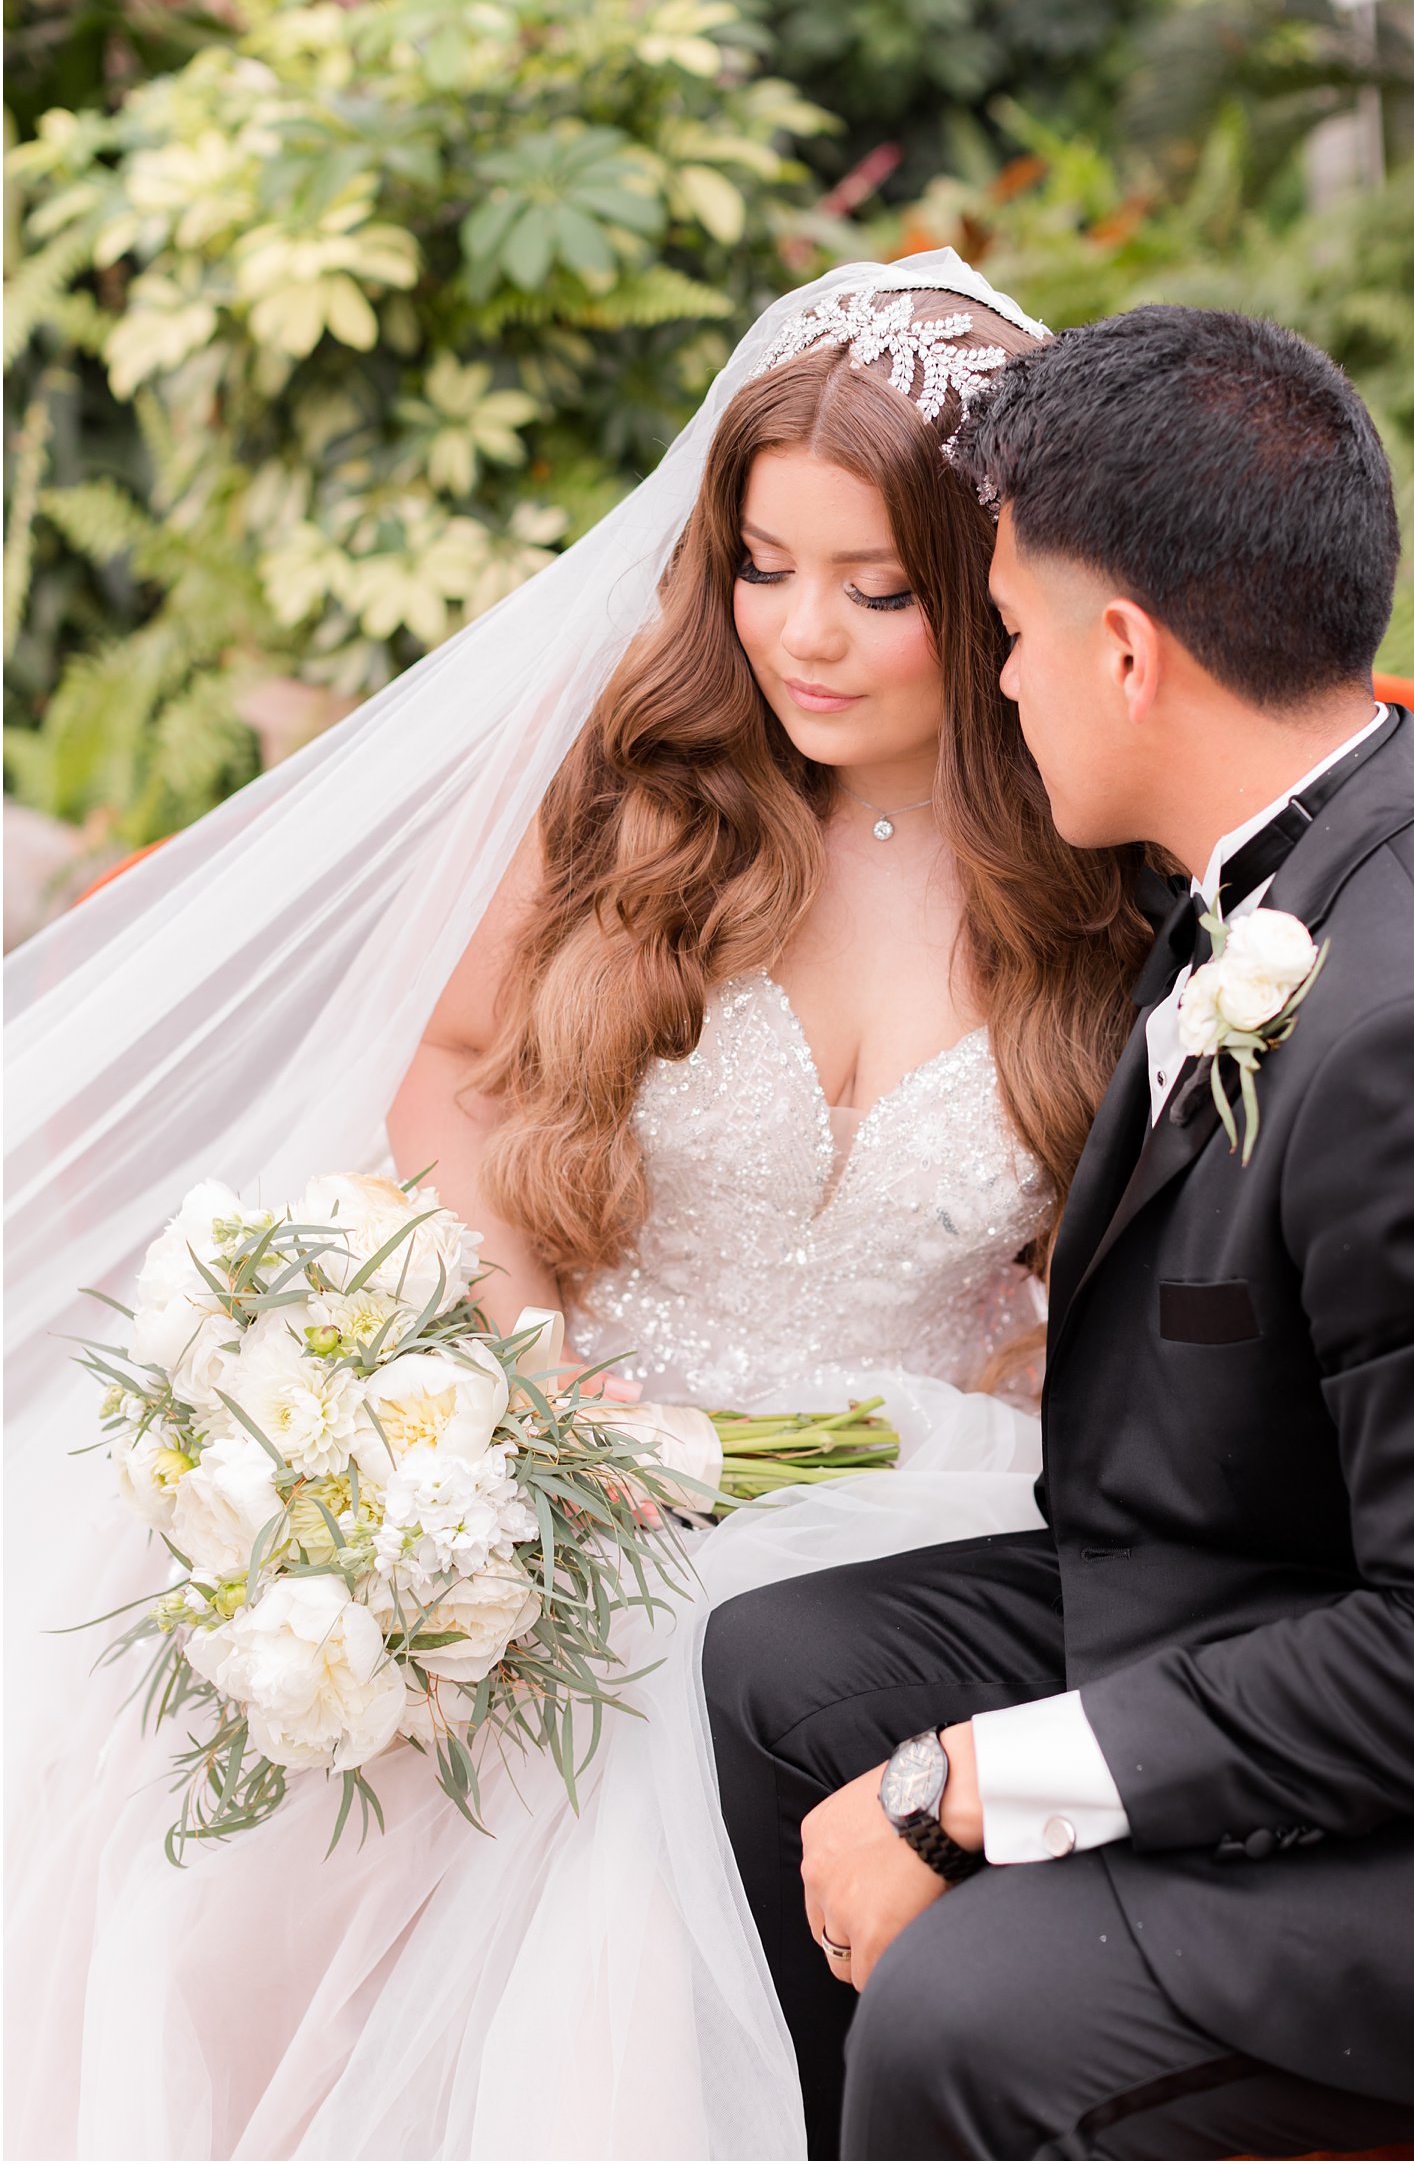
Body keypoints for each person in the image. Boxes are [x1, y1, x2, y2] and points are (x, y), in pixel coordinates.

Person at [4, 256, 1154, 2161]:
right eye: (763, 567)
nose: (805, 633)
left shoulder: (1101, 871)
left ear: (991, 590)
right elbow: (457, 1079)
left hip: (928, 1478)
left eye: (878, 590)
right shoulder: (652, 797)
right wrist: (520, 1383)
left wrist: (1037, 1371)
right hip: (585, 1437)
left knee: (673, 1692)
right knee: (532, 1685)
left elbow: (1120, 1254)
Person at [704, 304, 1414, 2160]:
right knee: (778, 1675)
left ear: (1129, 653)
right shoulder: (1276, 867)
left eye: (1005, 637)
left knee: (970, 2010)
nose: (996, 688)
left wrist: (977, 1781)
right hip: (1242, 1589)